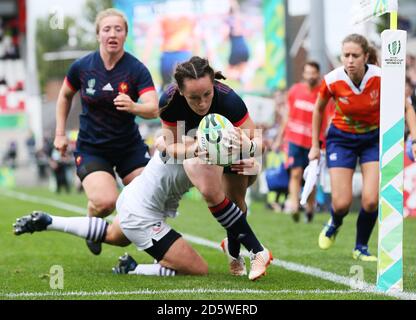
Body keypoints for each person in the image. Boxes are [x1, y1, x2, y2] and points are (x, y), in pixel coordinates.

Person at [13, 138, 208, 277]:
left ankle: (49, 221)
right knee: (197, 268)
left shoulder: (181, 127)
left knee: (115, 236)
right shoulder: (184, 134)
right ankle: (133, 269)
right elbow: (215, 197)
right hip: (142, 212)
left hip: (136, 199)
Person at [53, 9, 158, 255]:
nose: (112, 34)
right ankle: (93, 218)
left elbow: (153, 108)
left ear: (125, 35)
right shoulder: (82, 67)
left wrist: (134, 106)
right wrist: (60, 134)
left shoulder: (137, 69)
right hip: (92, 148)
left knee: (148, 200)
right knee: (105, 203)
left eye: (118, 29)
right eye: (107, 29)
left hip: (128, 148)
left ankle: (136, 243)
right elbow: (64, 96)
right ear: (98, 34)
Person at [159, 56, 272, 281]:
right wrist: (195, 151)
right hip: (193, 150)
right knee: (211, 192)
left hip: (234, 151)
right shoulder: (169, 101)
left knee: (238, 205)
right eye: (194, 98)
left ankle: (232, 249)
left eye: (207, 95)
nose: (202, 103)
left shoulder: (230, 100)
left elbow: (261, 145)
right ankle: (258, 251)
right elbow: (169, 147)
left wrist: (249, 148)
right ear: (181, 92)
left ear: (213, 85)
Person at [308, 34, 416, 261]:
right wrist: (315, 145)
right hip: (341, 139)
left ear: (366, 56)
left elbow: (407, 108)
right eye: (345, 55)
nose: (349, 60)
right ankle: (334, 223)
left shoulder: (382, 78)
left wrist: (414, 139)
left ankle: (361, 247)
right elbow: (318, 109)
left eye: (355, 55)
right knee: (341, 203)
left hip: (372, 139)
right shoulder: (332, 80)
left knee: (370, 200)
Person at [273, 61, 326, 223]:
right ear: (303, 74)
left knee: (310, 177)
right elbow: (287, 116)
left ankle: (309, 209)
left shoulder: (323, 93)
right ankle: (295, 207)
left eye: (313, 73)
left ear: (318, 74)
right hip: (294, 139)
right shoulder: (295, 90)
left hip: (314, 142)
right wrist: (279, 139)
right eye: (307, 72)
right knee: (295, 174)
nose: (310, 76)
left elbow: (328, 118)